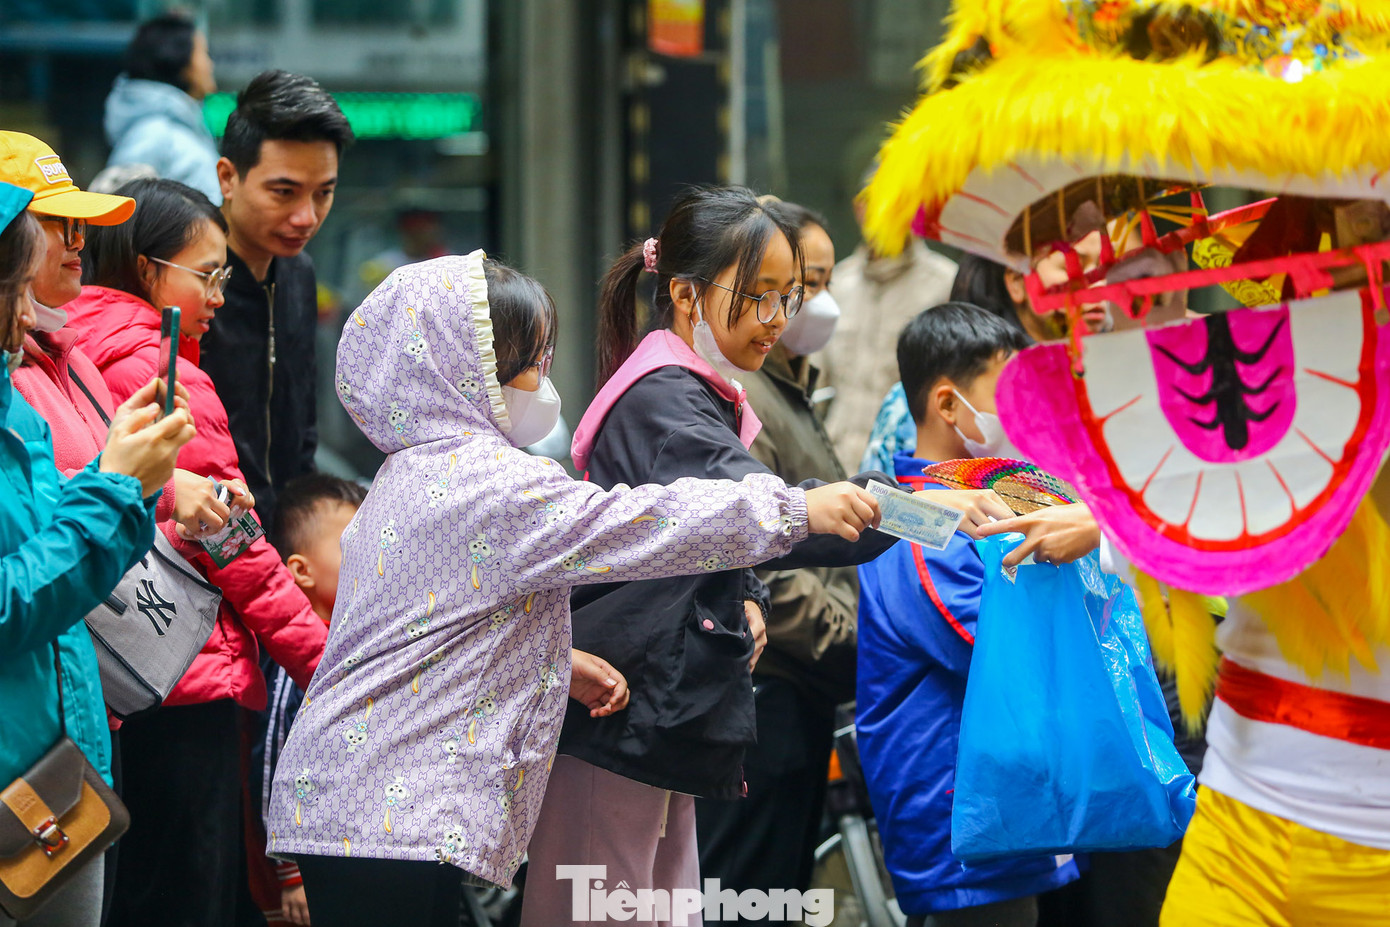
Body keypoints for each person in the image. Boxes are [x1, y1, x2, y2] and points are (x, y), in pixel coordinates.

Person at [261, 249, 883, 927]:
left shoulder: (405, 474)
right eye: (529, 362)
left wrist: (555, 662)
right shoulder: (492, 483)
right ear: (467, 369)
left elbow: (431, 637)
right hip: (393, 811)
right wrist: (795, 510)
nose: (543, 381)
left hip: (351, 797)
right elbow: (642, 524)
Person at [524, 187, 1012, 927]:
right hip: (624, 707)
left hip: (652, 709)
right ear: (686, 295)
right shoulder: (664, 396)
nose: (780, 318)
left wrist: (751, 589)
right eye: (760, 296)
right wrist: (929, 508)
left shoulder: (689, 389)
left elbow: (726, 526)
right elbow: (761, 508)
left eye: (790, 295)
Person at [67, 178, 328, 927]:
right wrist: (323, 662)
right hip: (184, 673)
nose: (218, 296)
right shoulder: (161, 371)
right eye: (206, 274)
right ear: (148, 270)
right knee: (187, 897)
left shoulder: (70, 352)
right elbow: (234, 548)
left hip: (112, 679)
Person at [0, 181, 195, 927]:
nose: (28, 315)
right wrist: (116, 487)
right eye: (14, 291)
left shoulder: (15, 402)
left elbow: (53, 537)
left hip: (58, 766)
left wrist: (128, 475)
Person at [856, 303, 1081, 927]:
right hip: (960, 810)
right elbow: (989, 644)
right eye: (1008, 396)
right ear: (948, 404)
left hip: (995, 799)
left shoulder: (975, 502)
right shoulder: (919, 518)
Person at [693, 199, 859, 911]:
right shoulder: (736, 391)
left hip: (799, 687)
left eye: (813, 285)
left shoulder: (788, 383)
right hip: (770, 685)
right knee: (743, 893)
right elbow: (752, 557)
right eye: (790, 287)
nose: (802, 305)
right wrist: (850, 638)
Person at [202, 69, 354, 523]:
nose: (306, 217)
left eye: (323, 193)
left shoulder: (299, 272)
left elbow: (302, 427)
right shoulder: (189, 279)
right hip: (206, 530)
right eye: (284, 192)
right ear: (228, 178)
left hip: (286, 533)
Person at [247, 473, 368, 927]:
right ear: (301, 570)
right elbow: (271, 761)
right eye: (352, 545)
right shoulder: (292, 662)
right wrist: (290, 871)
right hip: (302, 868)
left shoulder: (347, 644)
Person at [816, 179, 957, 472]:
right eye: (878, 203)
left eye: (900, 203)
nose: (888, 213)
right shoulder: (838, 282)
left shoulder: (945, 284)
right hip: (834, 463)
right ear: (860, 208)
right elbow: (817, 384)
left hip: (906, 466)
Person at [103, 11, 221, 204]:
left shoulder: (176, 127)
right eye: (204, 53)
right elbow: (121, 212)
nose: (210, 65)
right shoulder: (153, 134)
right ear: (180, 60)